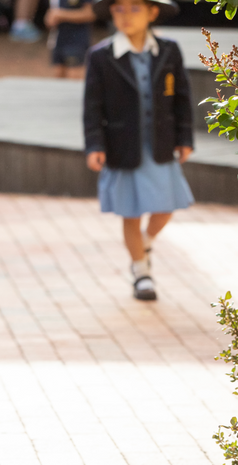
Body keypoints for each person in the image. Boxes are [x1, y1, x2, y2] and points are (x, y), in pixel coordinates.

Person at [83, 0, 192, 301]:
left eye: (135, 8)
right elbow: (92, 106)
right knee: (130, 211)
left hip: (160, 144)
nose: (126, 16)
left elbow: (182, 97)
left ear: (152, 13)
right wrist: (94, 144)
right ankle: (141, 271)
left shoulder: (169, 50)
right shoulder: (101, 56)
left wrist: (185, 138)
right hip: (122, 147)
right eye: (119, 9)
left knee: (166, 207)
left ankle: (144, 243)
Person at [45, 0, 96, 78]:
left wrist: (61, 15)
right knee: (57, 78)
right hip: (57, 41)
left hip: (76, 42)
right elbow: (52, 12)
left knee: (74, 80)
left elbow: (91, 13)